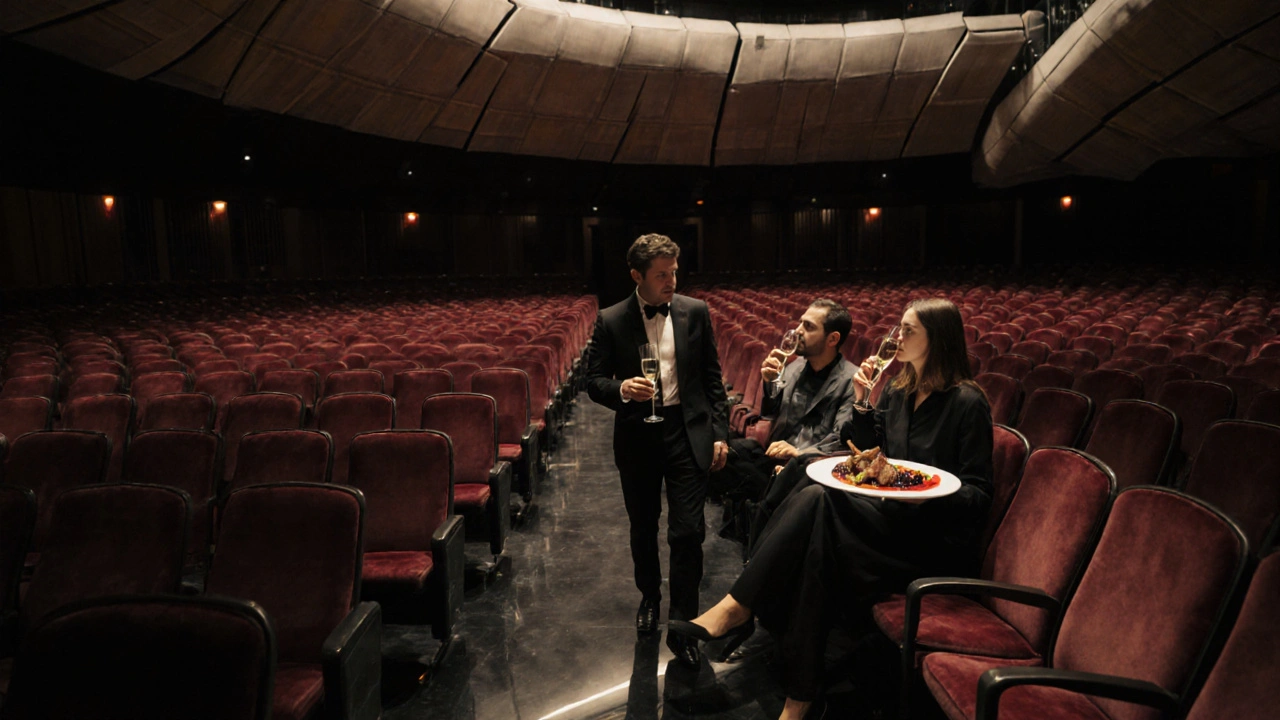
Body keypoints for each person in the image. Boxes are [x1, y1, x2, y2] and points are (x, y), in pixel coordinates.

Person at [670, 298, 993, 719]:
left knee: (817, 514)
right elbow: (868, 449)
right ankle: (798, 695)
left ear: (938, 339)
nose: (896, 338)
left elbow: (978, 496)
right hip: (885, 522)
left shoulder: (967, 402)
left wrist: (926, 487)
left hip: (925, 543)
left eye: (908, 331)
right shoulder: (898, 390)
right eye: (898, 328)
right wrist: (862, 401)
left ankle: (740, 608)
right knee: (816, 528)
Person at [585, 233, 730, 668]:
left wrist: (719, 432)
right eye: (662, 275)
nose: (671, 281)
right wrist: (621, 388)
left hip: (688, 432)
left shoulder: (695, 311)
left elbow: (712, 378)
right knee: (643, 526)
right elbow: (593, 381)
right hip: (638, 435)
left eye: (674, 272)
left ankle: (683, 623)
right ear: (637, 276)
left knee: (687, 531)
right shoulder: (611, 319)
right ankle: (649, 595)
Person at [710, 299, 857, 543]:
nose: (798, 330)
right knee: (718, 452)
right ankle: (751, 519)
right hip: (774, 456)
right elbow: (770, 413)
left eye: (808, 326)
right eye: (800, 323)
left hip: (808, 467)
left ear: (832, 339)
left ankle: (758, 528)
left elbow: (841, 439)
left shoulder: (851, 380)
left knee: (768, 484)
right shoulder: (795, 366)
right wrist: (770, 382)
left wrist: (799, 454)